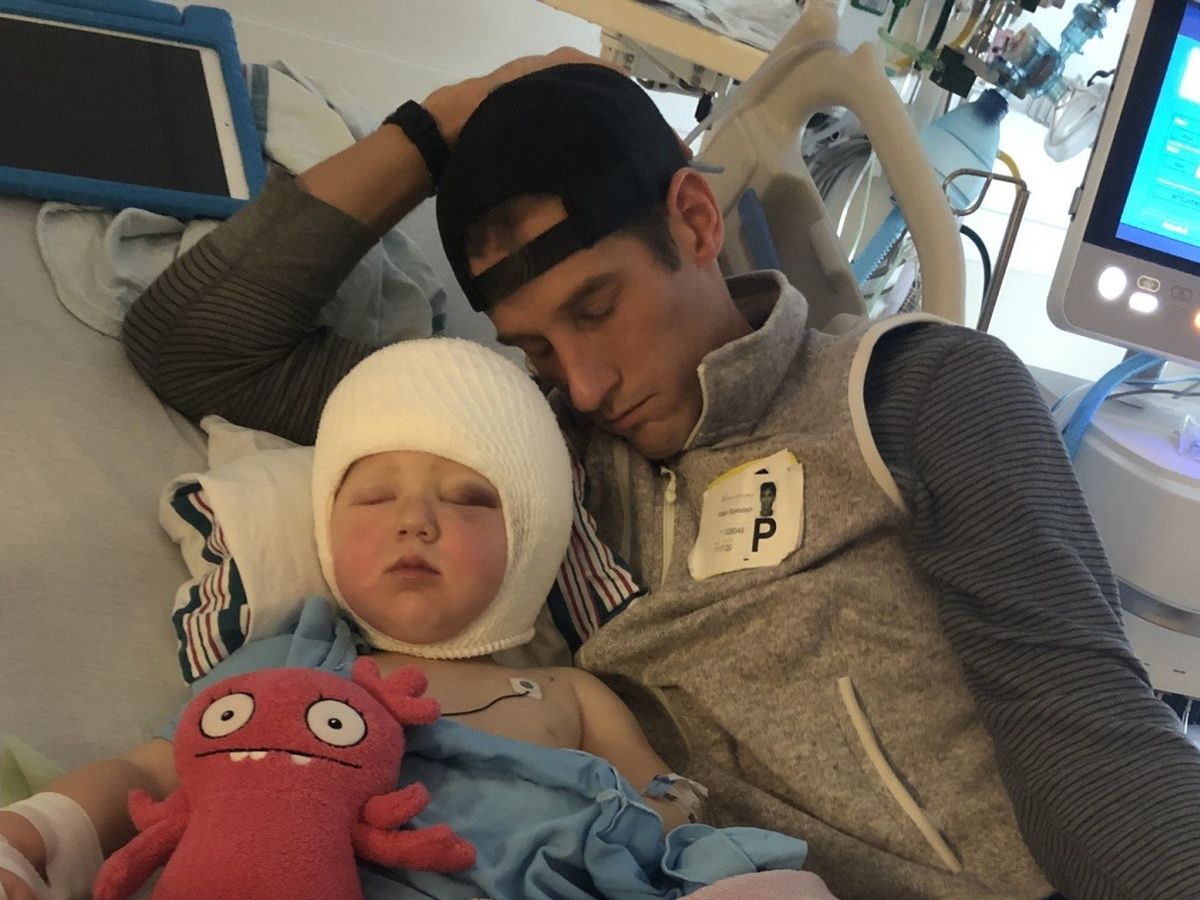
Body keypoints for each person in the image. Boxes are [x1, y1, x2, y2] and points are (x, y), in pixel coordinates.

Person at [113, 48, 1200, 899]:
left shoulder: (915, 391)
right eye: (536, 348)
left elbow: (1087, 736)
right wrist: (447, 122)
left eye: (597, 309)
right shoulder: (523, 452)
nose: (583, 384)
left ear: (694, 219)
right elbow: (196, 345)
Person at [0, 337, 828, 899]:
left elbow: (670, 815)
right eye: (373, 496)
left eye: (468, 499)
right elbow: (148, 776)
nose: (415, 521)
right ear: (326, 526)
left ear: (533, 538)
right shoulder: (290, 664)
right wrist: (33, 836)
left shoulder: (569, 694)